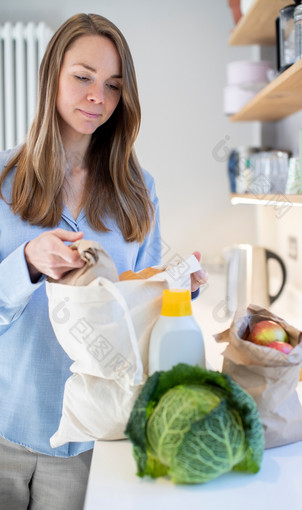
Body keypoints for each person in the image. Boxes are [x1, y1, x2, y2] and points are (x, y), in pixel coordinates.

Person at [0, 12, 207, 510]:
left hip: (92, 444)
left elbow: (137, 307)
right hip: (5, 426)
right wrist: (26, 260)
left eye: (114, 85)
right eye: (83, 77)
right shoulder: (3, 179)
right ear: (51, 76)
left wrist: (176, 287)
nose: (98, 97)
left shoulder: (139, 191)